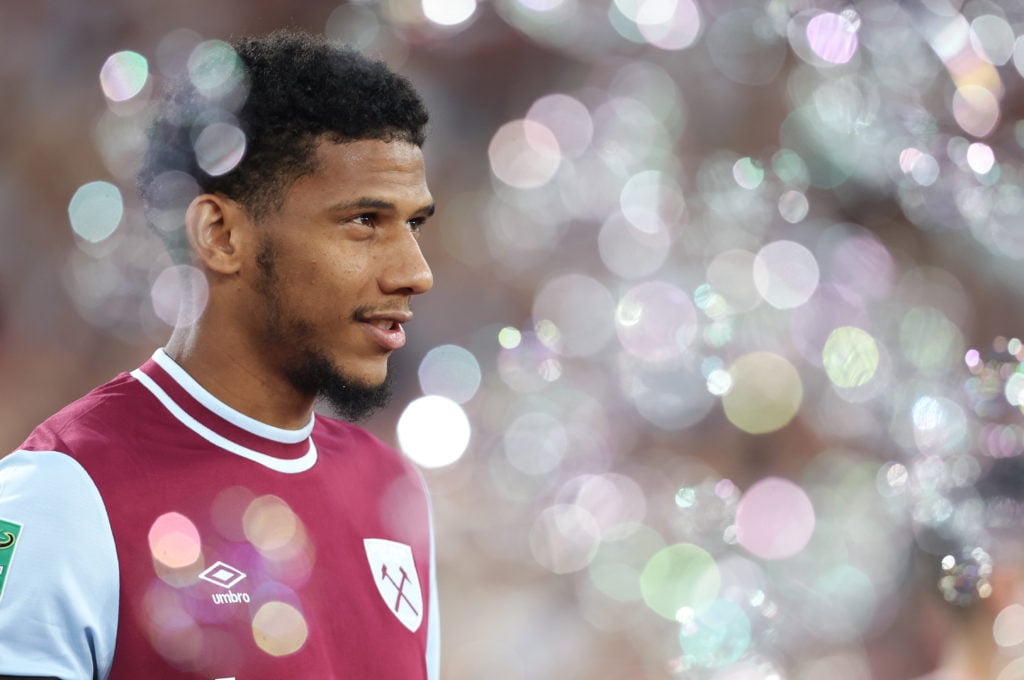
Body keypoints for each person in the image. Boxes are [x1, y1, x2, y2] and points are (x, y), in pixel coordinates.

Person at [0, 30, 439, 679]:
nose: (415, 272)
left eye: (414, 224)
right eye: (364, 222)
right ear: (221, 234)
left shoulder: (393, 490)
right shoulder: (61, 494)